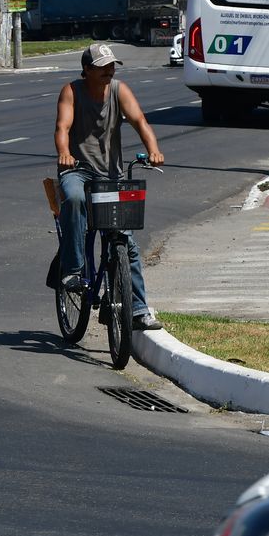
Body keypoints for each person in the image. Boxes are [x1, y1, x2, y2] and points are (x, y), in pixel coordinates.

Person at [55, 42, 166, 331]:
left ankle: (139, 309)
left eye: (111, 65)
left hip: (111, 176)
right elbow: (62, 128)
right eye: (103, 66)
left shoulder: (119, 90)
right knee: (75, 199)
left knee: (125, 242)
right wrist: (64, 154)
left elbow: (140, 120)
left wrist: (153, 149)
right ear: (87, 70)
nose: (109, 70)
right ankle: (74, 271)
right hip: (77, 170)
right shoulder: (71, 91)